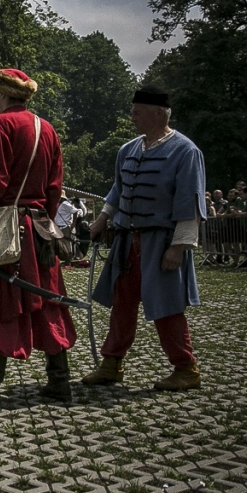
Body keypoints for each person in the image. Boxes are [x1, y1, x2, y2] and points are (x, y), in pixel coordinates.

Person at [0, 68, 77, 405]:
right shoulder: (47, 129)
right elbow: (55, 188)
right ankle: (60, 381)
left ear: (3, 94)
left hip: (8, 231)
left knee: (1, 304)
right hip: (39, 229)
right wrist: (45, 224)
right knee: (47, 302)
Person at [82, 86, 206, 391]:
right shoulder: (129, 149)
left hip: (162, 242)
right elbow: (118, 191)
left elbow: (189, 203)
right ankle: (111, 363)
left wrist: (178, 247)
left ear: (159, 113)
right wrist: (100, 221)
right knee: (122, 303)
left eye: (138, 111)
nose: (132, 116)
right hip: (127, 242)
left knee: (167, 306)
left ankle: (186, 368)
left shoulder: (185, 151)